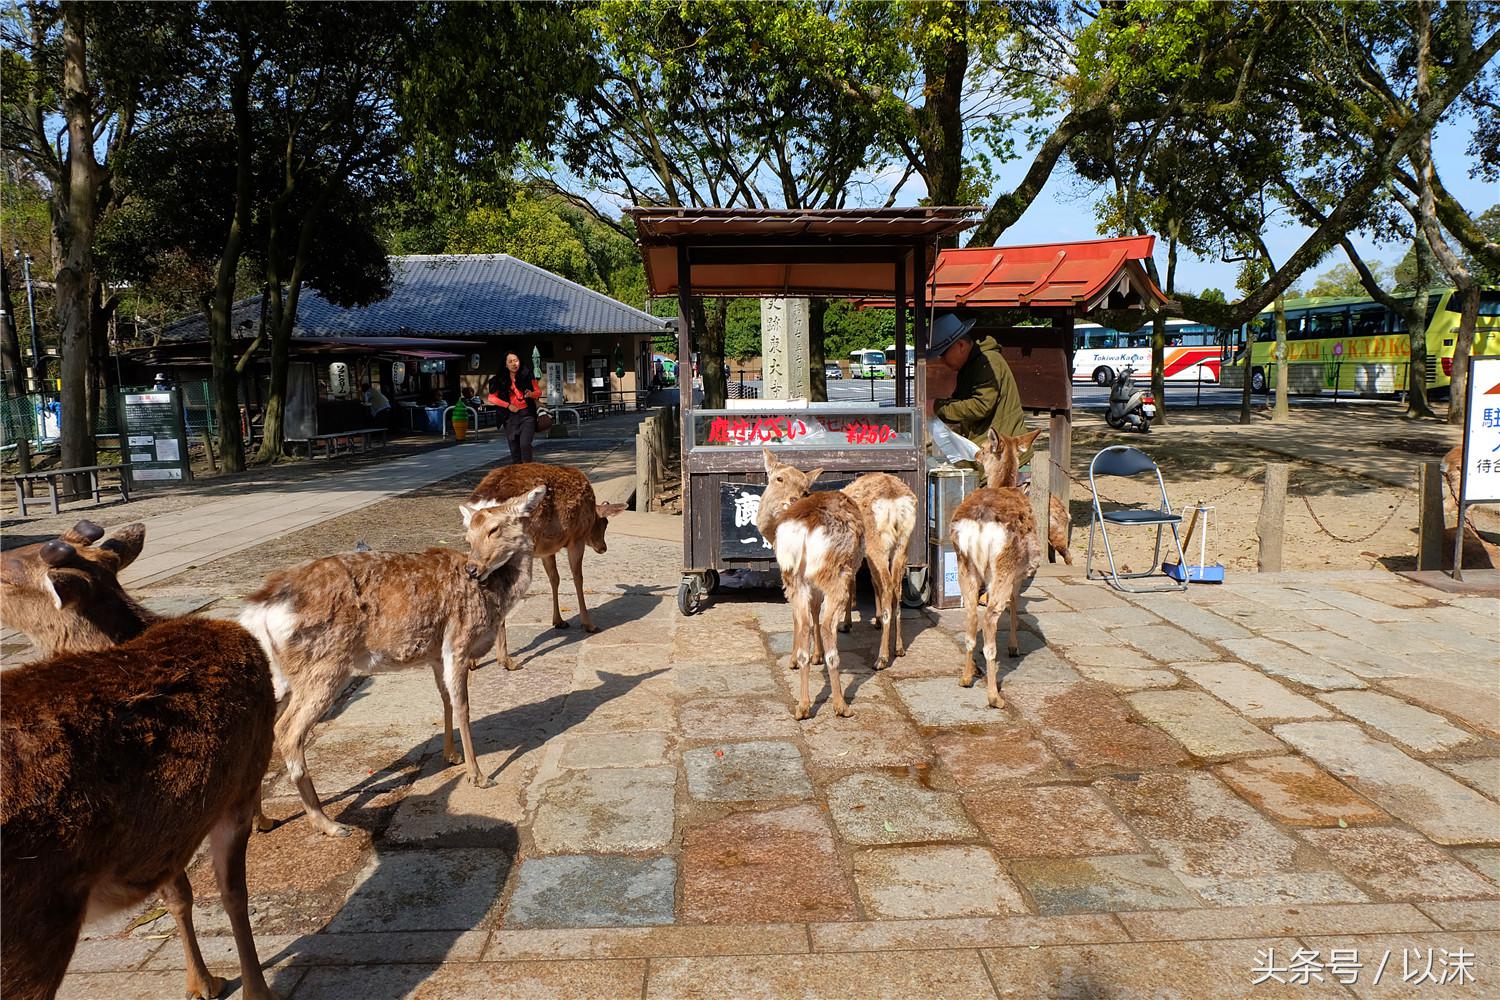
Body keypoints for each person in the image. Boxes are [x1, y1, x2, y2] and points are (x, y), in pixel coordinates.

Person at [926, 312, 1034, 476]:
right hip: (992, 456)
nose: (942, 361)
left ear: (961, 346)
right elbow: (963, 406)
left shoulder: (988, 362)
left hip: (1006, 459)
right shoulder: (970, 365)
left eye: (943, 354)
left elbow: (981, 406)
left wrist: (936, 406)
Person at [494, 351, 542, 465]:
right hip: (510, 417)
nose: (513, 364)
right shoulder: (500, 379)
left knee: (525, 444)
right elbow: (492, 398)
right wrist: (508, 405)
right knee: (514, 447)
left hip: (527, 414)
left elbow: (539, 392)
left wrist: (531, 394)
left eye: (516, 360)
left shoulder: (527, 375)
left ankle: (527, 470)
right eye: (510, 361)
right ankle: (518, 474)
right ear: (505, 365)